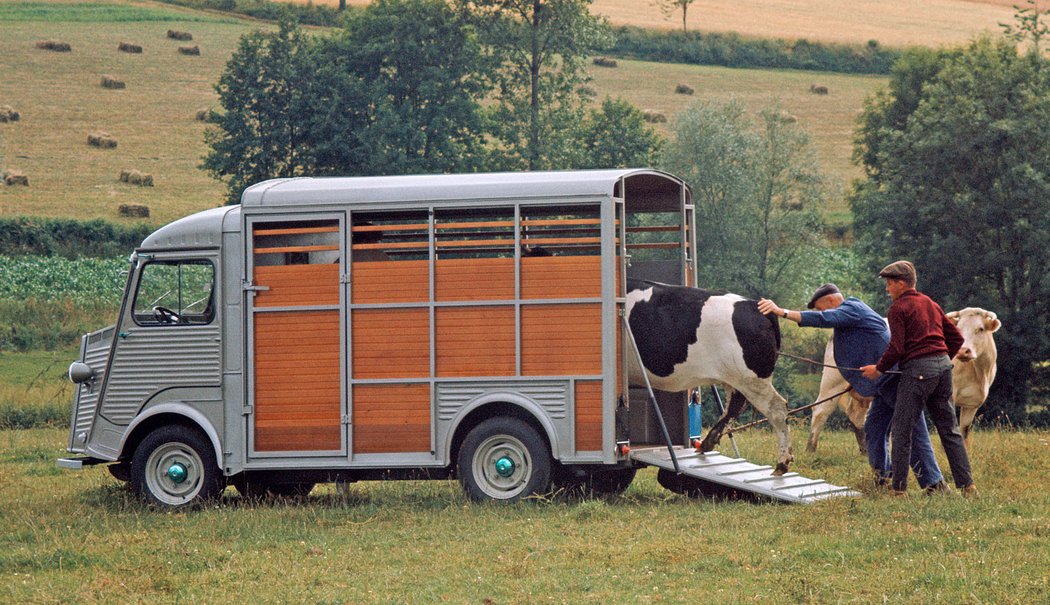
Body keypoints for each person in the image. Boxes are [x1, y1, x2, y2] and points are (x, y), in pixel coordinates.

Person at [759, 285, 949, 493]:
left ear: (831, 302)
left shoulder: (851, 308)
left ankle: (935, 483)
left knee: (912, 430)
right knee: (874, 428)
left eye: (822, 308)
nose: (823, 313)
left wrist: (781, 312)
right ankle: (883, 477)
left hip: (895, 380)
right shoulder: (850, 314)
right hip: (884, 383)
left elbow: (824, 319)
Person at [860, 260, 978, 497]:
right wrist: (942, 356)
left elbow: (896, 348)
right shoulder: (930, 303)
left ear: (901, 284)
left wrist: (878, 370)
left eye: (889, 284)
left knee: (902, 430)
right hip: (944, 370)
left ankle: (899, 491)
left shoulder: (897, 309)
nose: (887, 289)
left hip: (918, 374)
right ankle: (968, 487)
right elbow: (954, 338)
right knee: (949, 430)